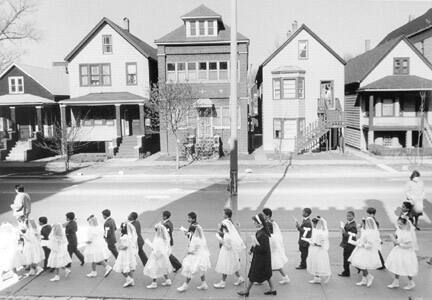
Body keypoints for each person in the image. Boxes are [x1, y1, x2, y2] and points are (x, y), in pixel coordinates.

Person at [238, 213, 275, 297]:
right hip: (263, 258)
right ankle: (273, 289)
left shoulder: (263, 234)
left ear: (259, 223)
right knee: (267, 274)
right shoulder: (261, 231)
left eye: (254, 221)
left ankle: (246, 291)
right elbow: (256, 242)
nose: (253, 223)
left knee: (253, 274)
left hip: (261, 258)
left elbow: (263, 248)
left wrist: (255, 247)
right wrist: (251, 250)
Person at [386, 216, 418, 290]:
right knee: (397, 265)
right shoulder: (399, 230)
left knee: (407, 267)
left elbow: (409, 245)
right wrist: (395, 240)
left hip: (406, 253)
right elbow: (397, 238)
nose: (398, 225)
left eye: (400, 224)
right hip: (398, 251)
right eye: (398, 223)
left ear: (405, 224)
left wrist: (397, 243)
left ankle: (411, 282)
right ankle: (396, 281)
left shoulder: (408, 233)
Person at [348, 217, 382, 287]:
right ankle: (364, 280)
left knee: (362, 265)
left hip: (366, 250)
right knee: (362, 265)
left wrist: (362, 244)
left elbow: (370, 245)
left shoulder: (370, 233)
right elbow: (361, 238)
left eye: (362, 223)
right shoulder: (365, 230)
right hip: (361, 249)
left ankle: (369, 276)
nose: (361, 225)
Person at [177, 225, 211, 292]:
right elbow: (189, 234)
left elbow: (193, 250)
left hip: (195, 257)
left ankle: (185, 285)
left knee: (190, 271)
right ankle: (204, 284)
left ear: (193, 232)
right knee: (201, 271)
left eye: (190, 231)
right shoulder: (199, 237)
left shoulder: (195, 239)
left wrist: (188, 253)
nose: (189, 232)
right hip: (201, 256)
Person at [213, 218, 245, 288]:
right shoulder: (230, 233)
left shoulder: (227, 236)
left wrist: (218, 237)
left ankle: (223, 282)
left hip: (226, 252)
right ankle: (240, 278)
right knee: (233, 265)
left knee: (225, 266)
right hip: (232, 252)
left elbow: (227, 245)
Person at [263, 208, 290, 284]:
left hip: (270, 242)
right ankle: (285, 277)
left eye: (263, 214)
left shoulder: (268, 223)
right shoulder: (270, 222)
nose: (262, 215)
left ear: (267, 215)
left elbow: (269, 233)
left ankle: (285, 277)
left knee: (275, 263)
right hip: (271, 242)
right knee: (273, 263)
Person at [143, 223, 172, 288]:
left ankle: (154, 283)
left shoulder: (158, 239)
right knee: (162, 267)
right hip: (163, 256)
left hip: (157, 256)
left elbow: (155, 248)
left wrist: (148, 243)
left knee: (153, 268)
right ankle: (168, 280)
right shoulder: (164, 238)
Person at [306, 217, 331, 284]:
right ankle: (316, 277)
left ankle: (317, 277)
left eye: (314, 223)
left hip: (318, 251)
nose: (313, 225)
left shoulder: (321, 233)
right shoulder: (316, 230)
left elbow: (320, 244)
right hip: (314, 250)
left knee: (317, 263)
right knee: (315, 262)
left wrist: (312, 243)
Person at [113, 222, 138, 288]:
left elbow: (125, 246)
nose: (120, 228)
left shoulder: (125, 237)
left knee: (121, 267)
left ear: (123, 228)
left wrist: (119, 247)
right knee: (130, 266)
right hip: (130, 253)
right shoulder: (130, 236)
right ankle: (131, 281)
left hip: (124, 253)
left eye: (121, 227)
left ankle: (128, 279)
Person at [338, 211, 357, 277]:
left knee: (346, 259)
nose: (348, 217)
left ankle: (346, 272)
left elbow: (347, 235)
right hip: (346, 243)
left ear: (353, 216)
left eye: (349, 216)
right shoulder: (349, 223)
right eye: (347, 216)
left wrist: (342, 228)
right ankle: (359, 267)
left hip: (349, 245)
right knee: (350, 258)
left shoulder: (353, 226)